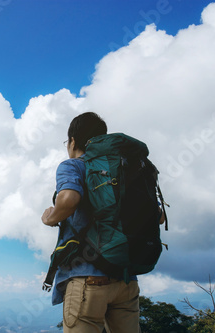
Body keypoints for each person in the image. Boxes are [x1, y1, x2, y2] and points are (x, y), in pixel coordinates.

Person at [41, 112, 141, 333]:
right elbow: (159, 216)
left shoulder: (73, 166)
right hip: (126, 281)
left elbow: (68, 199)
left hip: (88, 280)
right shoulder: (126, 169)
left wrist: (49, 217)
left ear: (72, 141)